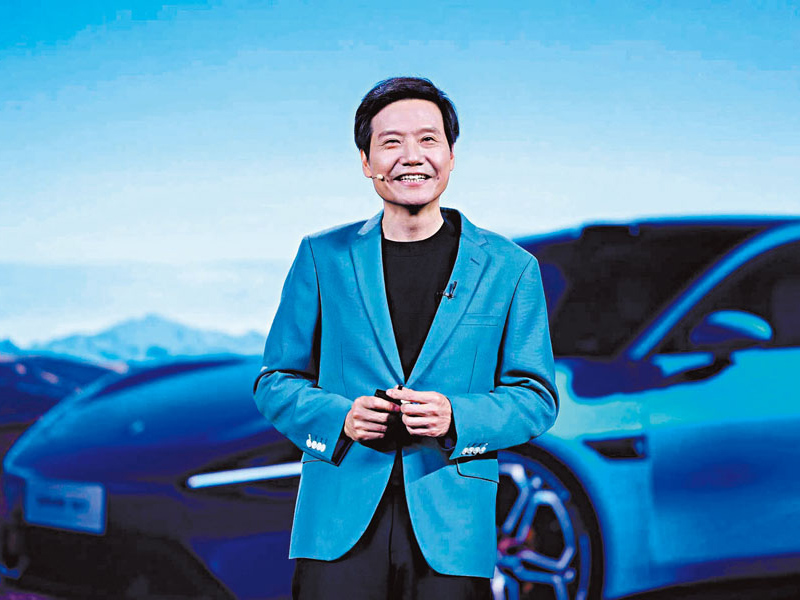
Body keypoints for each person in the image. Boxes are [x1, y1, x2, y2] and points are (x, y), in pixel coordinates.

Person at [253, 76, 559, 600]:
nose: (411, 156)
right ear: (366, 161)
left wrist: (456, 416)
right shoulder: (322, 256)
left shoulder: (510, 268)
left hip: (453, 528)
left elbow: (536, 398)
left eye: (428, 139)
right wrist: (341, 418)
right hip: (336, 521)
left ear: (451, 155)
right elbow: (275, 380)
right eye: (391, 142)